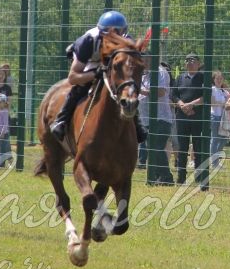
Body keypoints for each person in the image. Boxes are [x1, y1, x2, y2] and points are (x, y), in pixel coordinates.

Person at [49, 10, 146, 145]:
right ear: (102, 33)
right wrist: (95, 74)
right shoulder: (89, 41)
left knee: (127, 91)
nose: (116, 38)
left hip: (112, 64)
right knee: (82, 85)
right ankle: (62, 119)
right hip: (90, 62)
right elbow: (73, 77)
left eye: (118, 33)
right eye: (112, 34)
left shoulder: (127, 41)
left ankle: (136, 123)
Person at [172, 53, 207, 188]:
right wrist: (182, 105)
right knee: (182, 147)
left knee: (198, 146)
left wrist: (192, 105)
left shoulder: (203, 77)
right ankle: (181, 176)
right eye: (187, 61)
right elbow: (173, 94)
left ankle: (199, 176)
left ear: (198, 63)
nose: (189, 63)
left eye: (192, 61)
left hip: (198, 117)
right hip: (182, 117)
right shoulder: (180, 77)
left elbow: (206, 95)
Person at [146, 59, 175, 186]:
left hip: (161, 118)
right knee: (151, 149)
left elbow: (161, 92)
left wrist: (140, 91)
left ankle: (167, 178)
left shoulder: (161, 72)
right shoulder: (145, 73)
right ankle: (157, 177)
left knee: (157, 147)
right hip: (146, 118)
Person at [209, 69, 230, 172]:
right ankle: (214, 163)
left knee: (224, 139)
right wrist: (224, 103)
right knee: (215, 139)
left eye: (221, 78)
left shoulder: (225, 91)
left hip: (224, 118)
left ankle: (216, 159)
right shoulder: (212, 89)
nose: (219, 80)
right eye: (217, 78)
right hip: (215, 116)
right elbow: (213, 103)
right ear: (213, 80)